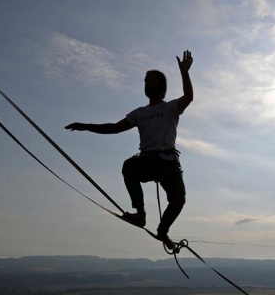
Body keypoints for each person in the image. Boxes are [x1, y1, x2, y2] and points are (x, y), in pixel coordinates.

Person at [65, 50, 194, 250]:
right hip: (149, 161)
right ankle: (140, 215)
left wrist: (184, 72)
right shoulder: (139, 113)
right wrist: (85, 126)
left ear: (160, 86)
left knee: (178, 201)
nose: (147, 84)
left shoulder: (170, 108)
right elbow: (114, 128)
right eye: (145, 81)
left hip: (167, 163)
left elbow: (188, 97)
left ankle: (162, 231)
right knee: (129, 167)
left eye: (150, 80)